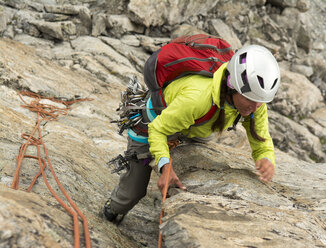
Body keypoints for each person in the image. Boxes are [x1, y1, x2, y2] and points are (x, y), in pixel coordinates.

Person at [103, 44, 280, 222]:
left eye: (260, 102)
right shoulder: (197, 99)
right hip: (151, 121)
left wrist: (265, 156)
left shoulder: (253, 102)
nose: (256, 108)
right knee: (134, 191)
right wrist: (165, 166)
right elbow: (156, 129)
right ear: (232, 86)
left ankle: (177, 138)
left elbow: (260, 136)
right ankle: (114, 207)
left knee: (206, 134)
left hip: (188, 124)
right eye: (251, 100)